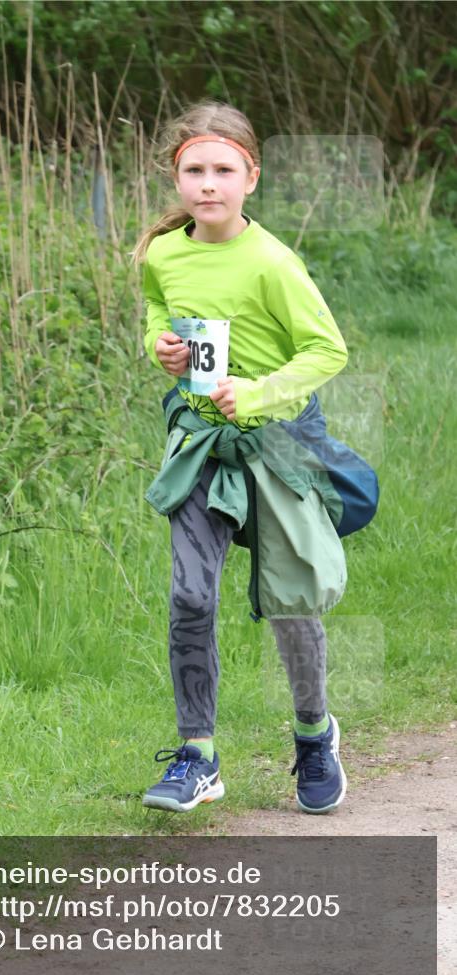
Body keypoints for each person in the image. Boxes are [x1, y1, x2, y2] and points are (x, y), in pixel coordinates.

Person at [132, 101, 349, 815]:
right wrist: (161, 347)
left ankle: (314, 735)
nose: (208, 184)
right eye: (194, 170)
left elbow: (326, 350)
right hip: (199, 445)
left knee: (291, 602)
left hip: (275, 447)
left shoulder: (272, 263)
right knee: (190, 597)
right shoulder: (164, 254)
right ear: (175, 177)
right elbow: (158, 312)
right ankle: (196, 756)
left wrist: (256, 392)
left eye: (223, 170)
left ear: (251, 177)